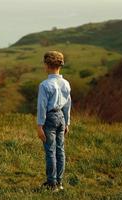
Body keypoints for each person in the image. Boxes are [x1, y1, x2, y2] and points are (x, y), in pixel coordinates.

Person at [37, 51, 71, 191]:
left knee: (50, 151)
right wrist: (67, 122)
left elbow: (42, 107)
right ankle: (60, 182)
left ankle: (51, 183)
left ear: (47, 65)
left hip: (49, 118)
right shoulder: (66, 83)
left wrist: (40, 126)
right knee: (60, 150)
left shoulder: (45, 85)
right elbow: (68, 104)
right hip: (61, 117)